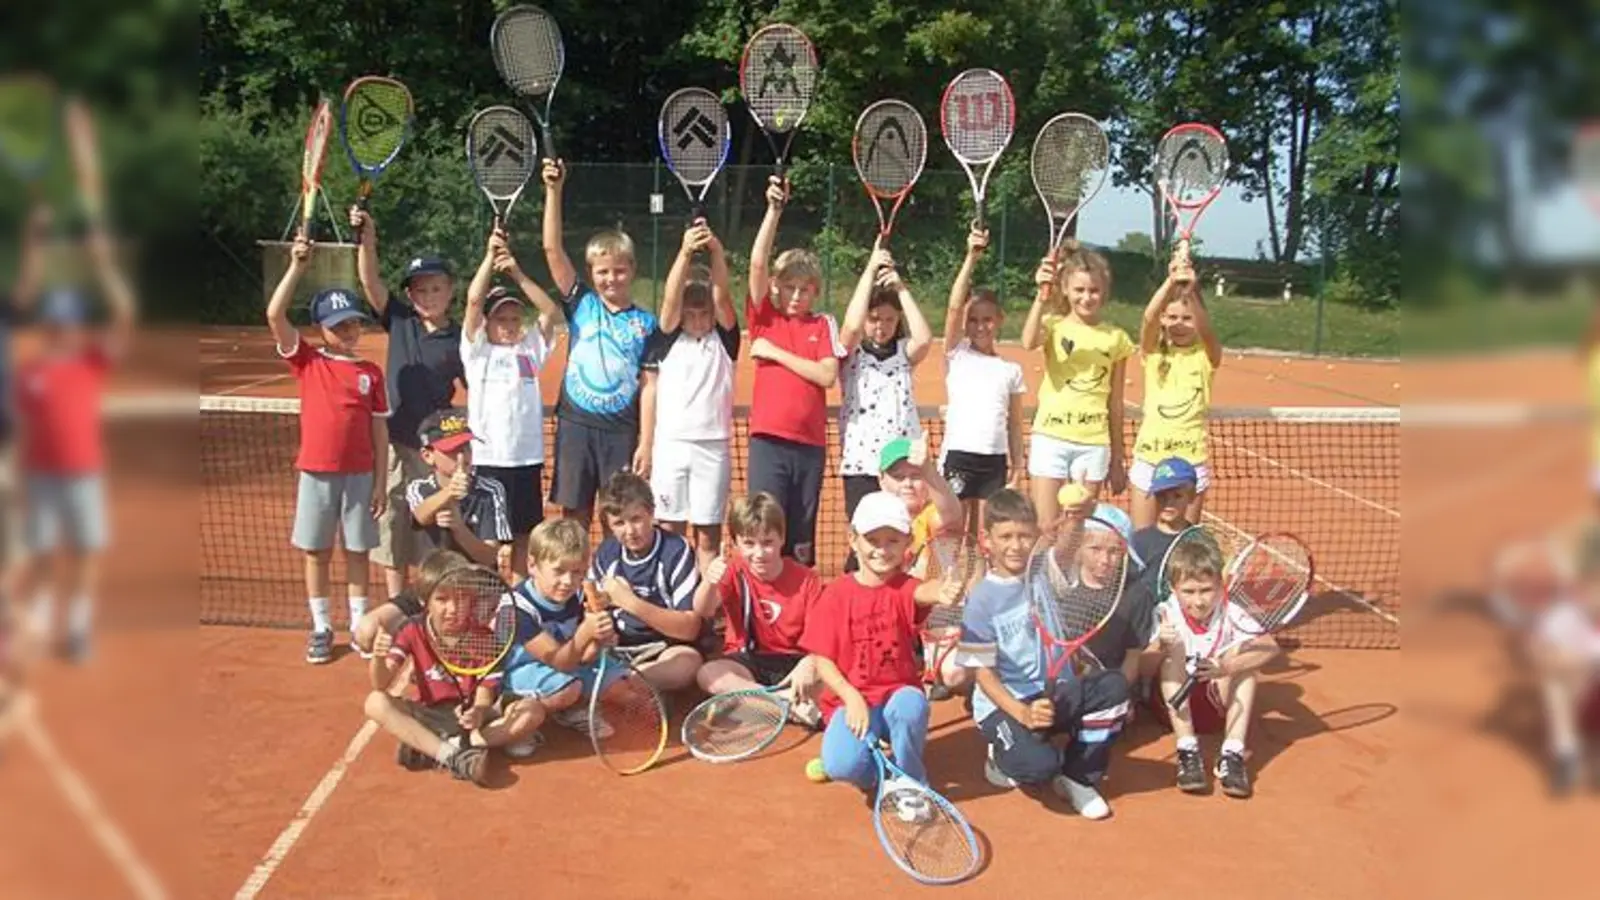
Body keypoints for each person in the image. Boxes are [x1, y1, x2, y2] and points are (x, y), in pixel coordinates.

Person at [956, 489, 1132, 819]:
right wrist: (1021, 713)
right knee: (1038, 768)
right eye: (1005, 536)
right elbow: (983, 674)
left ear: (1035, 536)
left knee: (1115, 688)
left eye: (1024, 536)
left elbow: (1064, 550)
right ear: (987, 540)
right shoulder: (981, 601)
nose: (1015, 545)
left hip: (1054, 694)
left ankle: (1078, 776)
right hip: (1006, 704)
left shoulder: (1042, 572)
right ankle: (1001, 753)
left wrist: (1077, 518)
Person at [265, 236, 386, 665]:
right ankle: (320, 626)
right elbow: (274, 314)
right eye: (338, 326)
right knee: (316, 552)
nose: (348, 331)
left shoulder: (372, 373)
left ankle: (359, 625)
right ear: (321, 330)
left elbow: (378, 432)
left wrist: (381, 483)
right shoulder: (308, 362)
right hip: (316, 473)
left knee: (358, 551)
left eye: (353, 323)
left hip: (359, 476)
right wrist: (297, 267)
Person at [799, 492, 959, 815]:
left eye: (892, 541)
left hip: (896, 697)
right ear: (853, 540)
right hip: (853, 702)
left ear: (907, 544)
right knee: (842, 765)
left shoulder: (904, 586)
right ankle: (879, 773)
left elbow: (922, 592)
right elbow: (822, 659)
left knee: (911, 706)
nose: (881, 550)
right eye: (872, 540)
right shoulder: (835, 595)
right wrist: (850, 696)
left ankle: (910, 781)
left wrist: (940, 590)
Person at [350, 207, 466, 599]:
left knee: (435, 533)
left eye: (436, 289)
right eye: (421, 290)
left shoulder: (460, 340)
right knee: (392, 530)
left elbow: (477, 392)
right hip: (394, 448)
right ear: (410, 295)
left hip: (434, 453)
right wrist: (368, 239)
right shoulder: (400, 320)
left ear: (450, 291)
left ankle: (434, 603)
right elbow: (369, 281)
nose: (429, 296)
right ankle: (397, 606)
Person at [539, 158, 657, 529]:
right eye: (603, 271)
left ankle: (610, 588)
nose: (611, 278)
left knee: (617, 521)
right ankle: (571, 587)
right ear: (591, 273)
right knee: (572, 518)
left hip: (621, 432)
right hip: (576, 426)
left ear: (633, 271)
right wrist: (553, 191)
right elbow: (551, 249)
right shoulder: (582, 304)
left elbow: (650, 386)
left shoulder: (646, 323)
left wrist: (646, 443)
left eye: (620, 270)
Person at [364, 550, 543, 787]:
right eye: (442, 599)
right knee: (375, 702)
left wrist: (477, 713)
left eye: (461, 598)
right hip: (432, 712)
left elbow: (484, 695)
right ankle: (454, 756)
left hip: (478, 716)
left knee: (533, 711)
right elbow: (380, 683)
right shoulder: (411, 630)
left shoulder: (486, 638)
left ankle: (438, 745)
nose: (452, 608)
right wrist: (377, 658)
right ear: (424, 601)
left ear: (472, 599)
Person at [745, 175, 846, 567]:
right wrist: (773, 210)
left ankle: (800, 618)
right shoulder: (765, 318)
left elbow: (826, 376)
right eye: (789, 287)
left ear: (814, 292)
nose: (797, 296)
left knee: (801, 540)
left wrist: (775, 353)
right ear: (776, 287)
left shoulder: (821, 325)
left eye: (805, 289)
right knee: (763, 530)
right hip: (768, 444)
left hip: (810, 448)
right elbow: (756, 262)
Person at [461, 227, 562, 578]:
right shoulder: (476, 351)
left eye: (514, 319)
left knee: (524, 538)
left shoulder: (529, 350)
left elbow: (551, 310)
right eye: (500, 319)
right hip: (490, 462)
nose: (508, 325)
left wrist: (517, 272)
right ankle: (484, 600)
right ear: (487, 323)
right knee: (488, 542)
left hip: (527, 460)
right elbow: (473, 301)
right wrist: (491, 258)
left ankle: (517, 607)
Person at [638, 220, 739, 563]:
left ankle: (704, 613)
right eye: (689, 312)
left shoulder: (724, 340)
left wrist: (716, 251)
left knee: (709, 536)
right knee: (668, 532)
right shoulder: (666, 338)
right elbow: (669, 298)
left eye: (704, 312)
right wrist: (684, 251)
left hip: (713, 447)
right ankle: (672, 604)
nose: (696, 319)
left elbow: (722, 294)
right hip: (671, 446)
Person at [1153, 534, 1282, 798]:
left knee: (1245, 659)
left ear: (1221, 588)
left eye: (1206, 590)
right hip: (1173, 705)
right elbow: (1144, 668)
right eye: (1189, 592)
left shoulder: (1232, 611)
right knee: (1172, 651)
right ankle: (1187, 750)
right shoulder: (1165, 613)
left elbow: (1271, 646)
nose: (1198, 601)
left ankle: (1232, 754)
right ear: (1174, 589)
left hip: (1215, 702)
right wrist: (1159, 646)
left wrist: (1227, 666)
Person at [1021, 241, 1134, 529]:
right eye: (1079, 290)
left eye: (1094, 290)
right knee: (1046, 527)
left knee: (1076, 530)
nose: (1087, 297)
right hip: (1051, 437)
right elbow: (1027, 340)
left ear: (1105, 292)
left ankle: (1070, 577)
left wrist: (1118, 457)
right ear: (1066, 289)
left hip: (1093, 444)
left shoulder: (1116, 338)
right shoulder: (1053, 324)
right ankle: (1044, 575)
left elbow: (1115, 402)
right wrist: (1040, 295)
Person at [837, 241, 933, 570]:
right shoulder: (851, 355)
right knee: (865, 540)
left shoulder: (904, 353)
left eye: (890, 320)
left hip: (901, 466)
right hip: (862, 465)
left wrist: (900, 287)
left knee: (899, 539)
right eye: (875, 318)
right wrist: (870, 268)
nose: (881, 326)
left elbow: (925, 339)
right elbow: (850, 327)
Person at [692, 492, 822, 727]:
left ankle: (754, 704)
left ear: (782, 539)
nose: (759, 553)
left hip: (795, 663)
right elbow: (703, 609)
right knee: (709, 674)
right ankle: (783, 703)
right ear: (736, 543)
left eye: (768, 543)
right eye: (749, 544)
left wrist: (810, 662)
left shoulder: (807, 579)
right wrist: (709, 581)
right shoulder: (731, 571)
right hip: (750, 662)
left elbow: (821, 639)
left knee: (829, 675)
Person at [498, 519, 620, 752]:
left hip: (566, 663)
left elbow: (586, 657)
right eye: (559, 571)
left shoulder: (577, 595)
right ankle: (516, 717)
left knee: (626, 689)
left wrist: (599, 639)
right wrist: (586, 633)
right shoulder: (516, 609)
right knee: (568, 689)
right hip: (516, 674)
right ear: (532, 565)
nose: (568, 581)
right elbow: (559, 660)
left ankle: (569, 711)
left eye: (577, 572)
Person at [940, 224, 1025, 535]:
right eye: (973, 320)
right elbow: (952, 307)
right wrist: (971, 258)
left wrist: (1017, 467)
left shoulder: (1010, 370)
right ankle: (951, 583)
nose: (980, 326)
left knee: (987, 538)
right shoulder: (957, 354)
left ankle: (978, 584)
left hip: (995, 461)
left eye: (987, 319)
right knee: (954, 531)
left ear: (1000, 321)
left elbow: (1015, 424)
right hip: (959, 456)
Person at [587, 472, 705, 693]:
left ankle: (621, 684)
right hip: (617, 648)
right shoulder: (606, 552)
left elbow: (690, 628)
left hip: (662, 649)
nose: (630, 531)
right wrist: (599, 624)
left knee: (687, 663)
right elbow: (589, 611)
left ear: (651, 513)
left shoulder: (676, 550)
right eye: (619, 523)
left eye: (636, 519)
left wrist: (630, 602)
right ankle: (626, 687)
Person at [1130, 248, 1220, 530]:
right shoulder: (1152, 352)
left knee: (1182, 548)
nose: (1178, 325)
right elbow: (1148, 318)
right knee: (1143, 541)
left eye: (1187, 318)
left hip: (1189, 463)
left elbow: (1207, 331)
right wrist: (1171, 282)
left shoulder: (1206, 355)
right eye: (1171, 318)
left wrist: (1191, 291)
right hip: (1149, 459)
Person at [1528, 524, 1600, 795]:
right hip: (1585, 690)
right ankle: (1567, 756)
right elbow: (1541, 656)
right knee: (1553, 685)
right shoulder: (1563, 615)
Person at [404, 409, 513, 564]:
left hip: (478, 581)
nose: (463, 456)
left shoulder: (490, 490)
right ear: (428, 456)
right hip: (436, 582)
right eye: (453, 451)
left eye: (466, 447)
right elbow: (419, 516)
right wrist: (449, 493)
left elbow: (490, 557)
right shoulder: (419, 488)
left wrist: (459, 529)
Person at [1130, 458, 1199, 593]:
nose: (1169, 503)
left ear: (1191, 496)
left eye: (1177, 496)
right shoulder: (1139, 541)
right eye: (1161, 496)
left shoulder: (1199, 540)